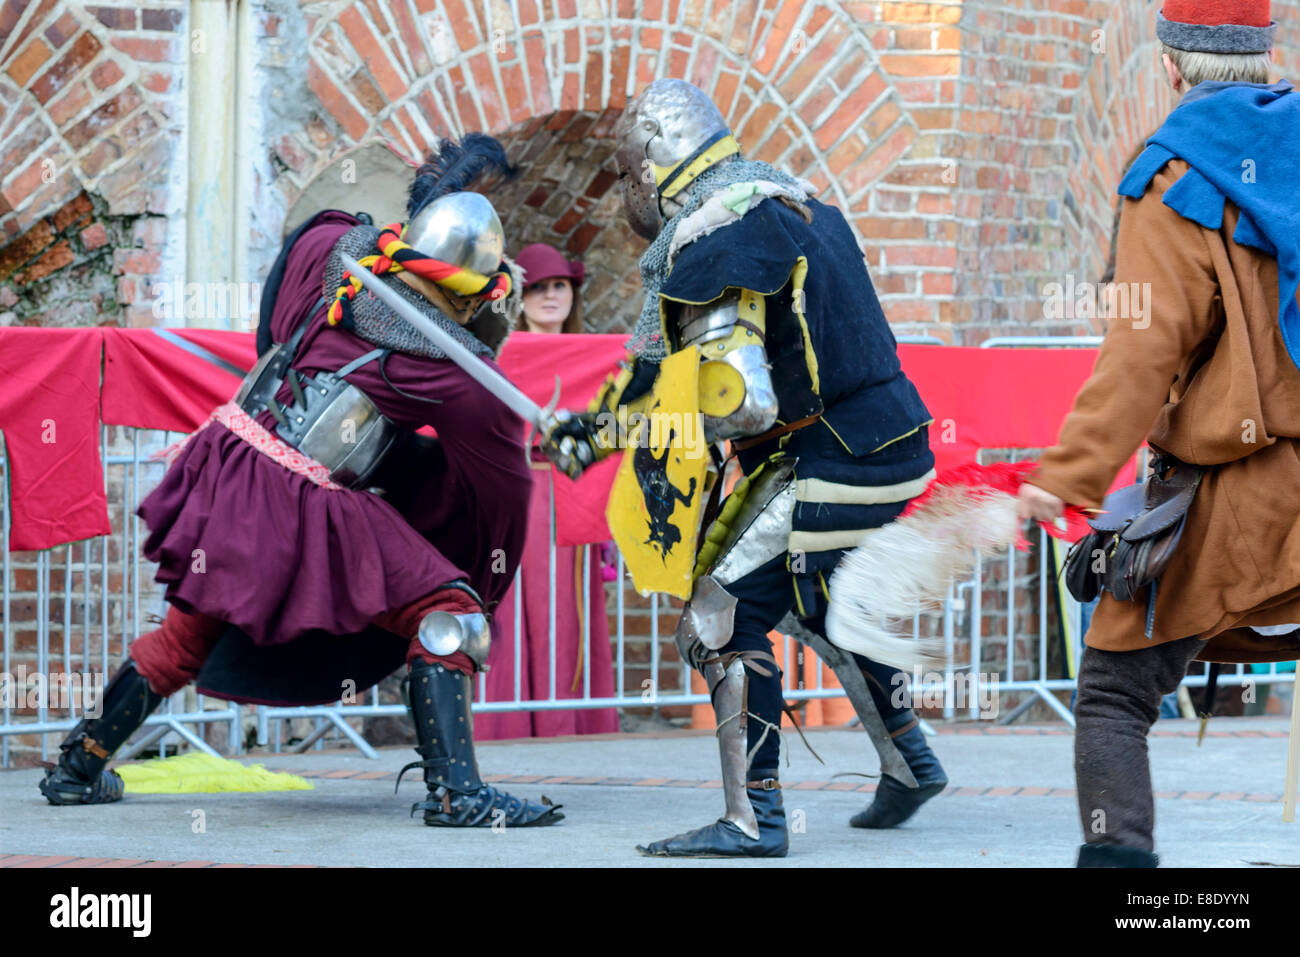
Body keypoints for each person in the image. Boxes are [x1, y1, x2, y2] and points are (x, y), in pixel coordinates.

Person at [38, 134, 563, 829]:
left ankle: (78, 766)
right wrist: (485, 586)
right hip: (298, 496)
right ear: (473, 292)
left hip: (227, 462)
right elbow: (500, 494)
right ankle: (457, 794)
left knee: (187, 635)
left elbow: (286, 290)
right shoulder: (448, 366)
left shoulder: (334, 253)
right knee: (450, 611)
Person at [541, 78, 948, 857]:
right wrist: (595, 430)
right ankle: (910, 760)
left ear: (658, 162)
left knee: (719, 607)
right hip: (892, 443)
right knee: (815, 602)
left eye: (629, 174)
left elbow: (741, 400)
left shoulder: (715, 236)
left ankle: (751, 816)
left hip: (830, 455)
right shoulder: (794, 204)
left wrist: (612, 432)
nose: (628, 192)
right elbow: (681, 378)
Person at [1018, 0, 1300, 866]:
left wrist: (1067, 475)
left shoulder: (1174, 177)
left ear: (1171, 67)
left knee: (1111, 688)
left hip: (1250, 493)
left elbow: (1142, 352)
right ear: (1265, 56)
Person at [476, 243, 620, 739]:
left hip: (575, 490)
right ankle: (506, 724)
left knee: (567, 608)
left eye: (558, 285)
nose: (550, 296)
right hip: (517, 487)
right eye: (537, 287)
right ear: (520, 297)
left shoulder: (597, 355)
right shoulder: (497, 352)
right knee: (509, 602)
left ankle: (568, 723)